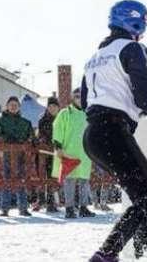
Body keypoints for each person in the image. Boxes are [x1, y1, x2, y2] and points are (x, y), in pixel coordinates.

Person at [81, 0, 147, 262]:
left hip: (93, 134)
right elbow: (145, 98)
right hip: (112, 131)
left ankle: (141, 252)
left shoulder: (94, 58)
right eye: (143, 22)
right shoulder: (132, 48)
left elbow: (85, 102)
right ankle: (106, 255)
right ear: (134, 22)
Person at [53, 87, 93, 219]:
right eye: (77, 96)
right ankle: (69, 208)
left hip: (85, 152)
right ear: (72, 97)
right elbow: (57, 128)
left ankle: (83, 207)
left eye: (82, 96)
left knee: (84, 181)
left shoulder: (89, 114)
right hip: (68, 151)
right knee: (69, 181)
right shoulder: (65, 113)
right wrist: (58, 146)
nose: (79, 99)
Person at [0, 95, 33, 217]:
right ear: (7, 106)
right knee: (6, 180)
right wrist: (5, 139)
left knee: (21, 180)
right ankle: (5, 208)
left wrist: (30, 140)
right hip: (6, 155)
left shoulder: (25, 122)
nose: (13, 107)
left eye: (16, 105)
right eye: (11, 105)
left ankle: (23, 207)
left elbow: (31, 136)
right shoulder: (0, 121)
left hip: (21, 155)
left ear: (19, 107)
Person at [35, 96, 60, 213]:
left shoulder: (62, 118)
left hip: (58, 151)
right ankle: (41, 200)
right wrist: (45, 141)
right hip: (45, 151)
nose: (52, 108)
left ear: (58, 107)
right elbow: (41, 134)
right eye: (50, 106)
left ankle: (51, 202)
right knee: (42, 176)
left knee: (53, 177)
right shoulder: (43, 120)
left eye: (54, 106)